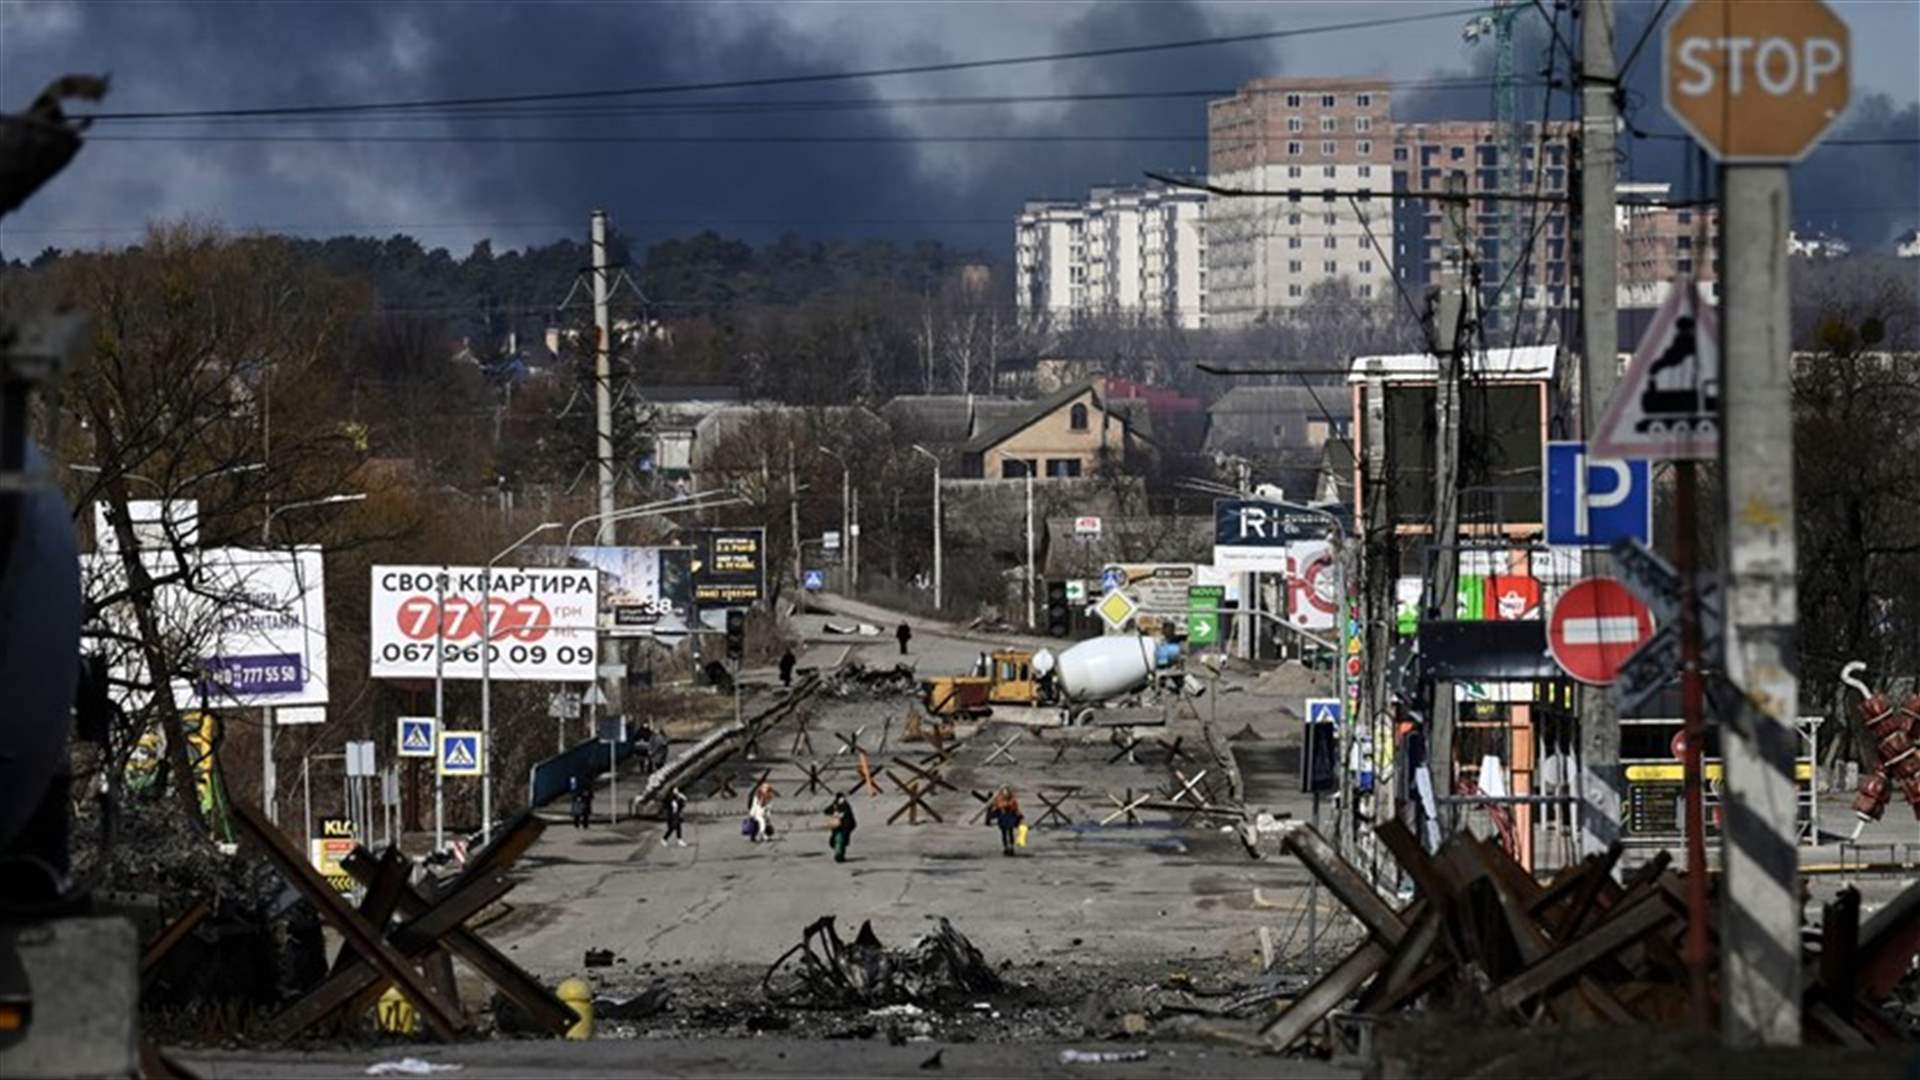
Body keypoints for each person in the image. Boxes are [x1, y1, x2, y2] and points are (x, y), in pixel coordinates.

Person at [986, 785, 1022, 856]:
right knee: (1004, 833)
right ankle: (1006, 847)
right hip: (1003, 818)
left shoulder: (1012, 800)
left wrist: (1019, 816)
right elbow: (995, 808)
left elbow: (1015, 809)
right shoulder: (999, 800)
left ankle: (1011, 847)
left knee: (1010, 832)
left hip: (1010, 817)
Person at [825, 791, 856, 863]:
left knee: (839, 840)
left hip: (842, 826)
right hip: (841, 826)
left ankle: (839, 855)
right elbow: (827, 811)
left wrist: (837, 813)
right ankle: (839, 855)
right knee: (840, 840)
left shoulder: (841, 805)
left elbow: (827, 811)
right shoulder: (843, 805)